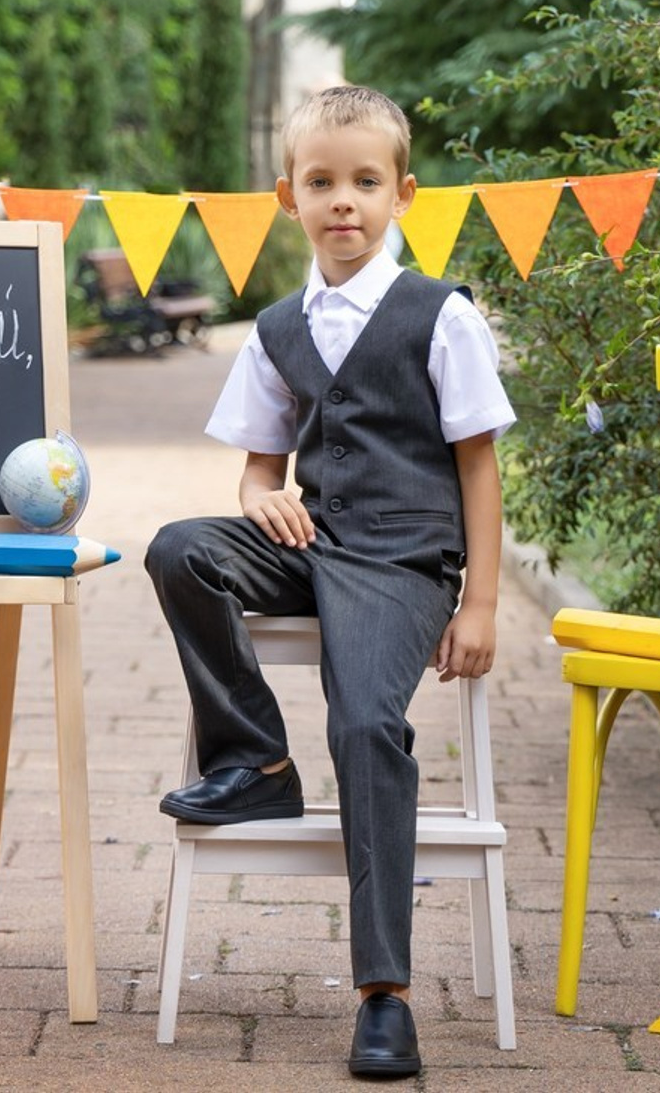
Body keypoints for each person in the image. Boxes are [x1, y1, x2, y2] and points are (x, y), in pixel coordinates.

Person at [145, 85, 515, 1079]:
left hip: (405, 557)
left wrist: (479, 598)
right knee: (181, 547)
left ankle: (383, 994)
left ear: (401, 193)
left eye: (362, 181)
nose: (341, 200)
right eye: (320, 182)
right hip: (314, 544)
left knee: (363, 724)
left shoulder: (440, 317)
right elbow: (260, 463)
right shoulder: (276, 326)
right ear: (286, 197)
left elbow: (478, 461)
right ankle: (256, 761)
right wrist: (260, 493)